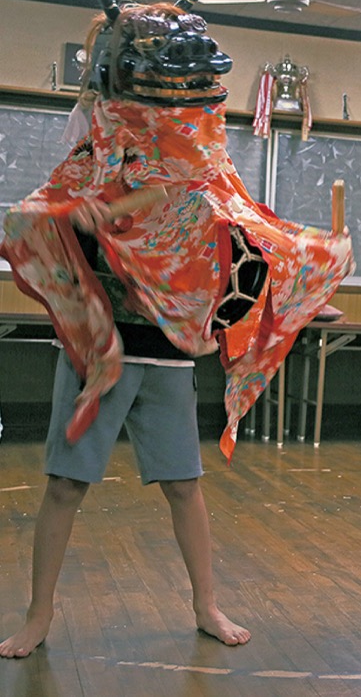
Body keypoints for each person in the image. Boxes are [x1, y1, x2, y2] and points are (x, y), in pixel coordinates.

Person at [0, 213, 250, 659]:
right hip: (94, 344)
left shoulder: (192, 176)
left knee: (183, 484)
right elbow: (32, 222)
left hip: (168, 352)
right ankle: (38, 615)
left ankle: (206, 606)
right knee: (64, 485)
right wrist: (77, 213)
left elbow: (235, 246)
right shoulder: (90, 165)